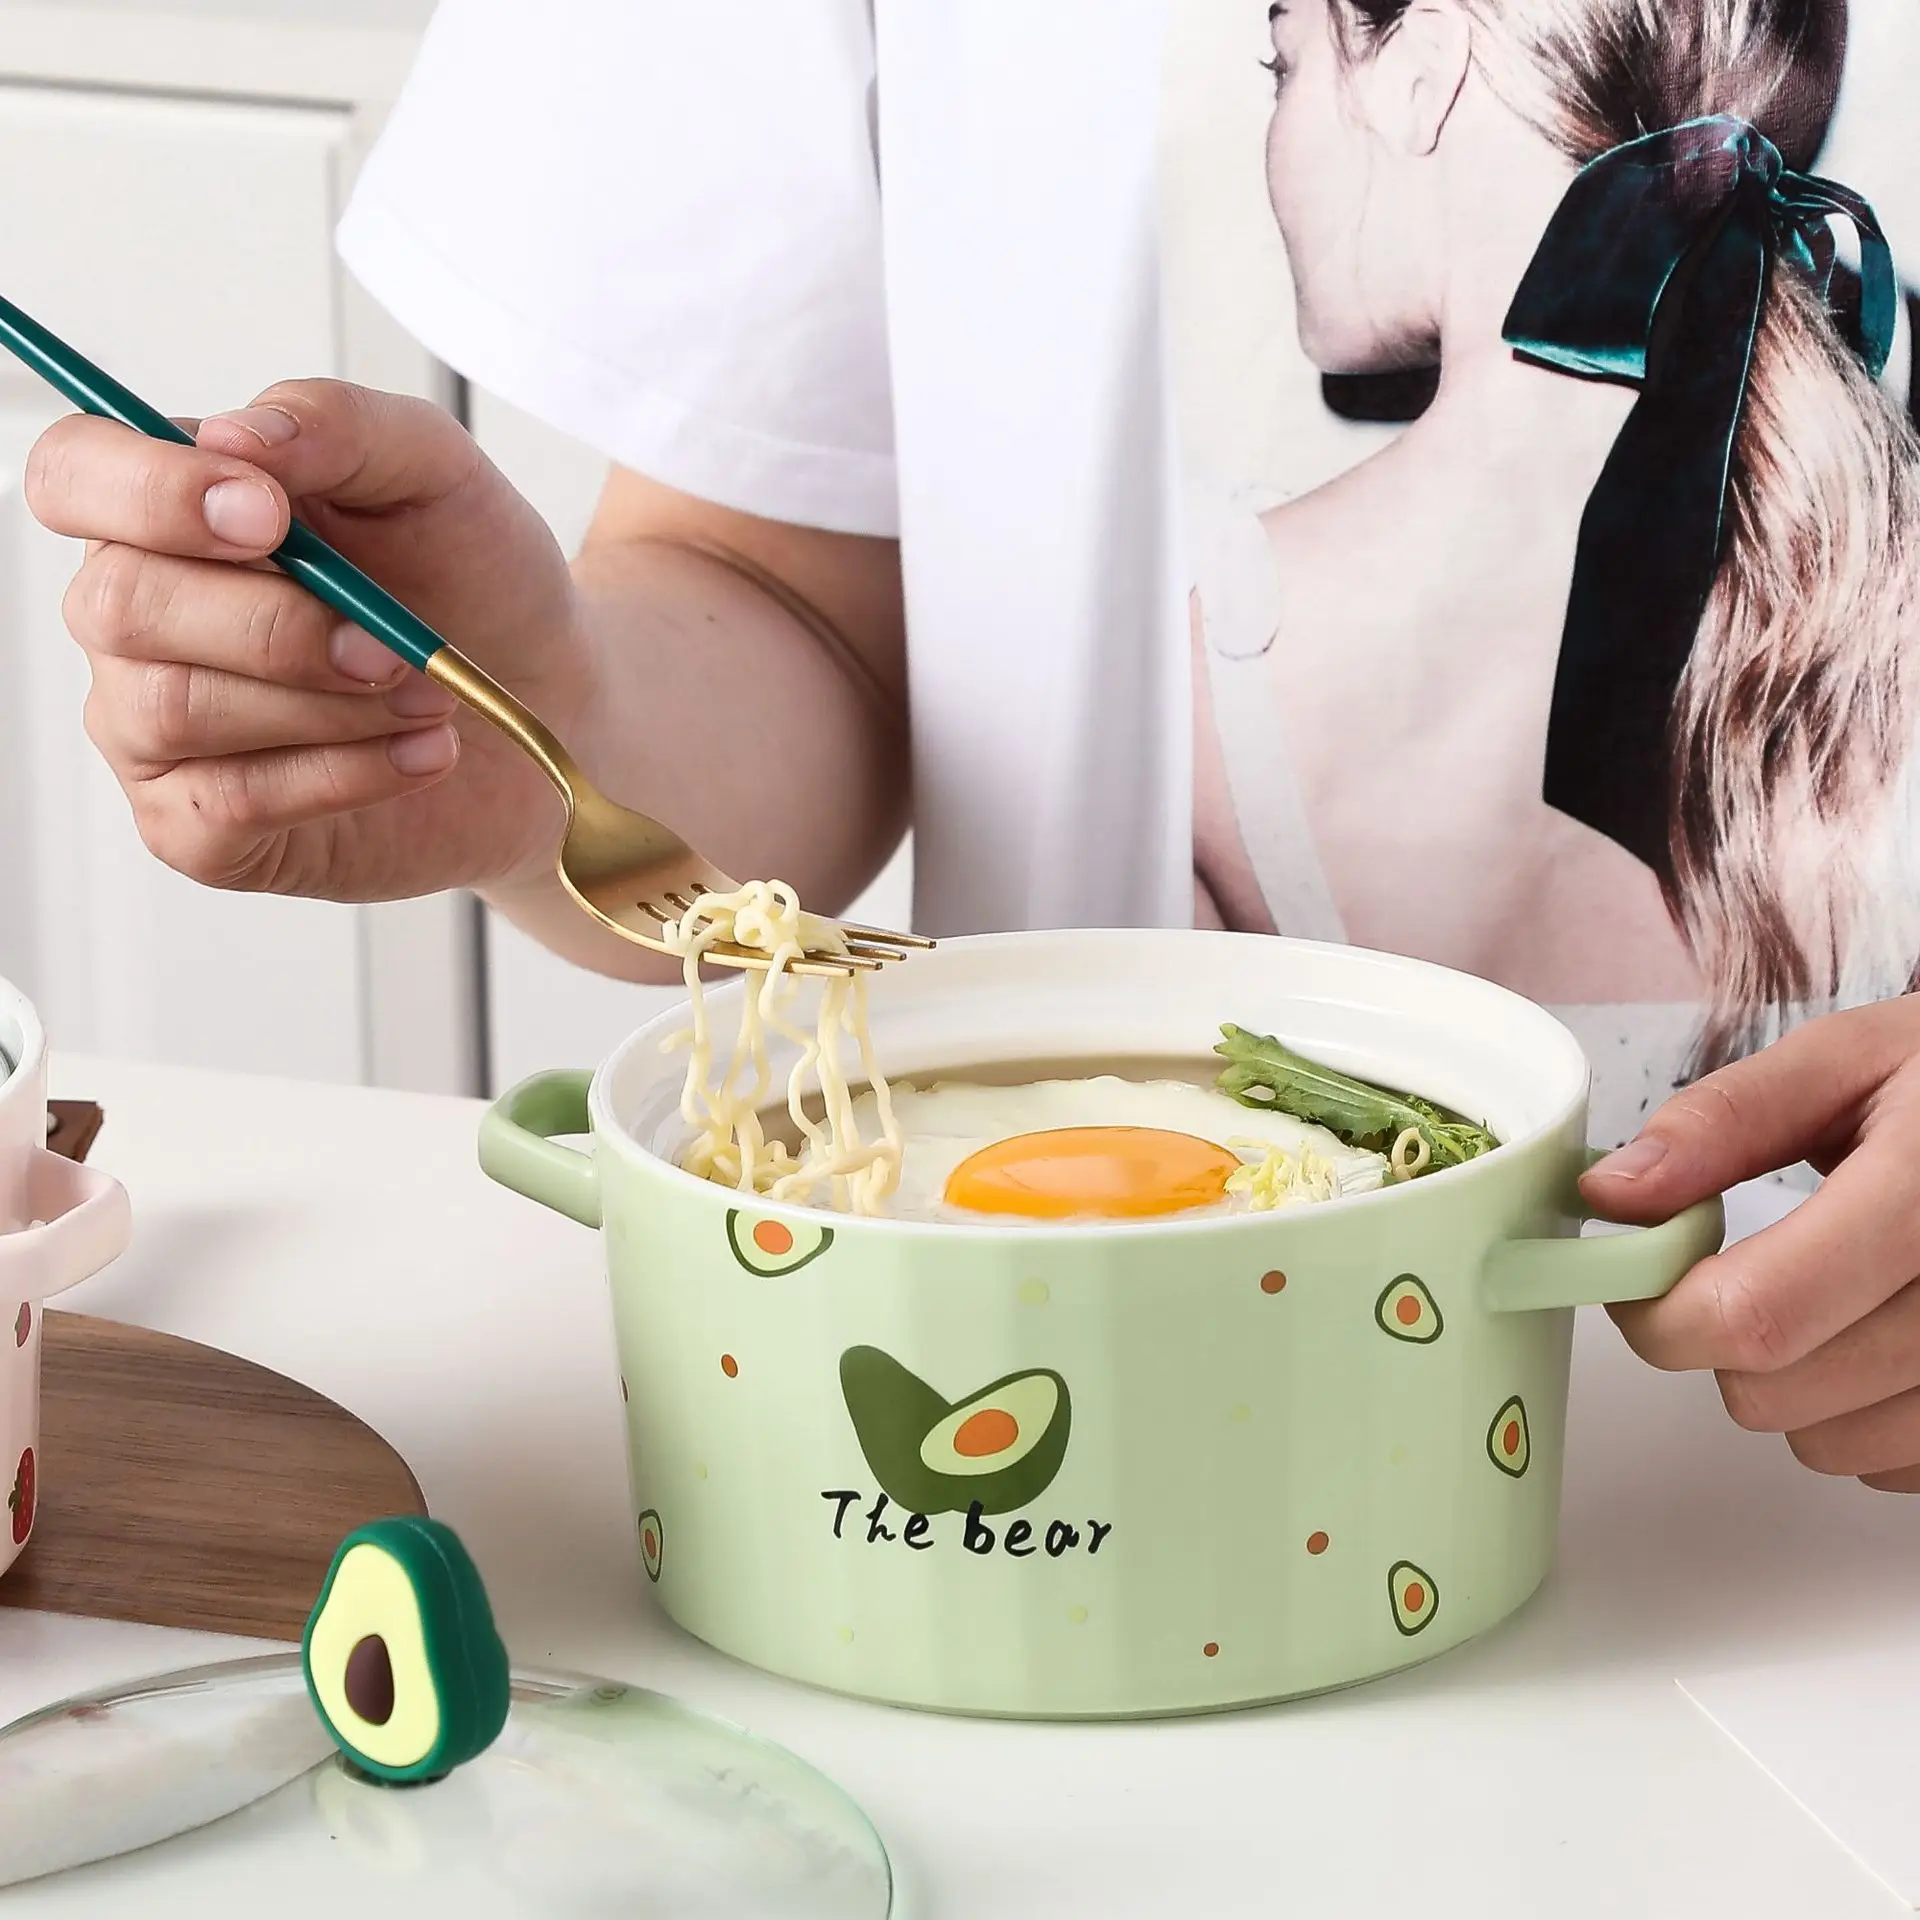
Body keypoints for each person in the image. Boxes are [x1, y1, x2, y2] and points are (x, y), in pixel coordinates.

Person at [21, 0, 1920, 1494]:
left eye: (1279, 59)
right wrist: (545, 733)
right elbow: (801, 602)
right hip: (1119, 1483)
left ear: (1419, 65)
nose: (1272, 129)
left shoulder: (1238, 626)